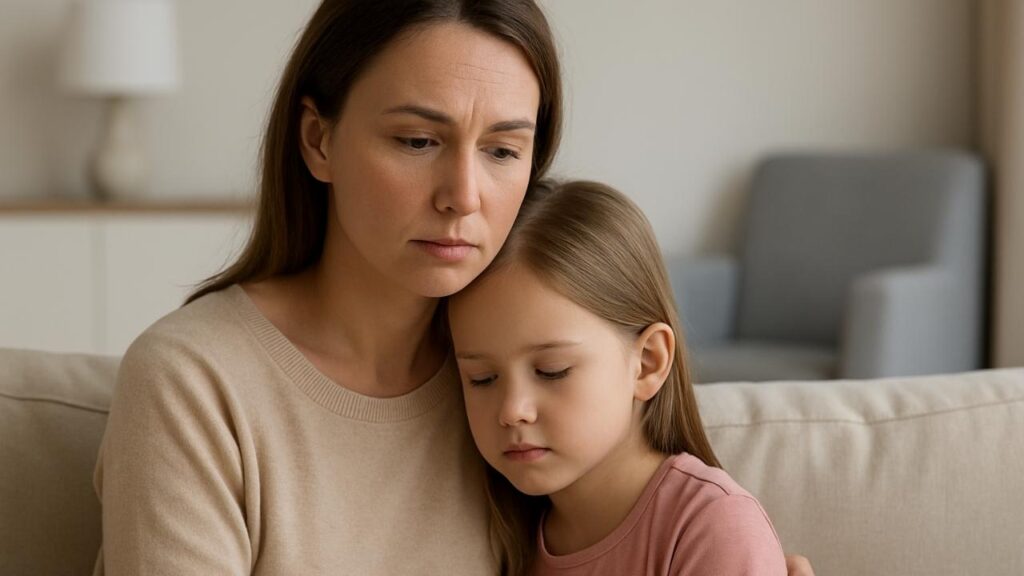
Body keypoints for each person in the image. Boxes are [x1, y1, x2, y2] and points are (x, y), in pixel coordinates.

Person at [91, 1, 815, 574]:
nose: (464, 196)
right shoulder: (194, 383)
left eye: (503, 150)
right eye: (417, 141)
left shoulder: (521, 399)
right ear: (318, 140)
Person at [448, 180, 787, 575]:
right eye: (482, 378)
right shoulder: (501, 533)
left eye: (551, 371)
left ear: (647, 362)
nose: (512, 411)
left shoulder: (713, 527)